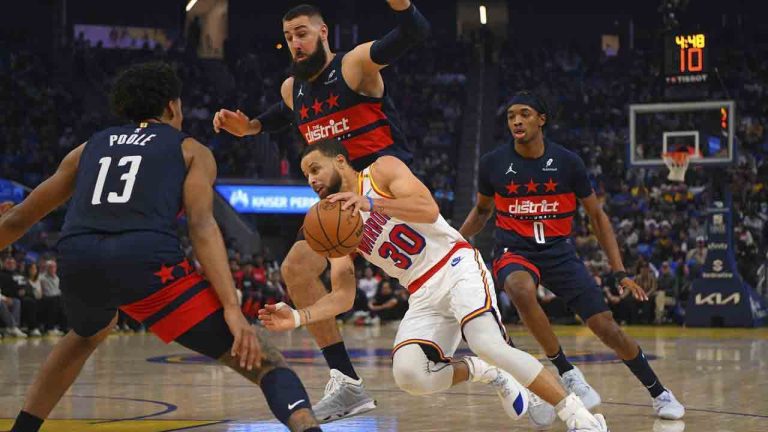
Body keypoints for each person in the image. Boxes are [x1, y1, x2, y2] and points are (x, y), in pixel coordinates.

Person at [0, 62, 321, 432]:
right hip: (147, 261)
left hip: (78, 258)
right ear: (172, 107)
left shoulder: (89, 147)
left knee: (89, 332)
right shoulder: (191, 150)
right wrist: (232, 309)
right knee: (266, 362)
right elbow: (202, 226)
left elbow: (17, 220)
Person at [259, 140, 609, 432]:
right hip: (422, 292)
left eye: (315, 168)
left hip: (456, 265)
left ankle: (578, 416)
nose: (311, 179)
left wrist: (370, 202)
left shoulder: (381, 171)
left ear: (339, 160)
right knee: (410, 375)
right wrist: (298, 317)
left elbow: (427, 209)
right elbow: (344, 295)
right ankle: (481, 371)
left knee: (487, 341)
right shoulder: (336, 219)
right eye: (306, 174)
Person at [212, 1, 429, 421]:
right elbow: (285, 114)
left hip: (382, 185)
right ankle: (346, 383)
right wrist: (252, 127)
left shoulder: (354, 66)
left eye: (302, 33)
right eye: (289, 36)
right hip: (336, 201)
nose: (295, 42)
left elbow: (413, 34)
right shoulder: (292, 90)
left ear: (323, 32)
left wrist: (402, 6)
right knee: (296, 270)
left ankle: (511, 362)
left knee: (443, 280)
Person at [459, 90, 685, 424]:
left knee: (607, 329)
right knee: (520, 289)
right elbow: (481, 210)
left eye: (524, 114)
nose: (516, 121)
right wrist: (457, 241)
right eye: (510, 116)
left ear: (541, 119)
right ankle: (565, 370)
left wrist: (619, 271)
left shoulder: (568, 162)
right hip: (514, 250)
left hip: (559, 252)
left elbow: (597, 217)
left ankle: (659, 392)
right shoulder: (492, 163)